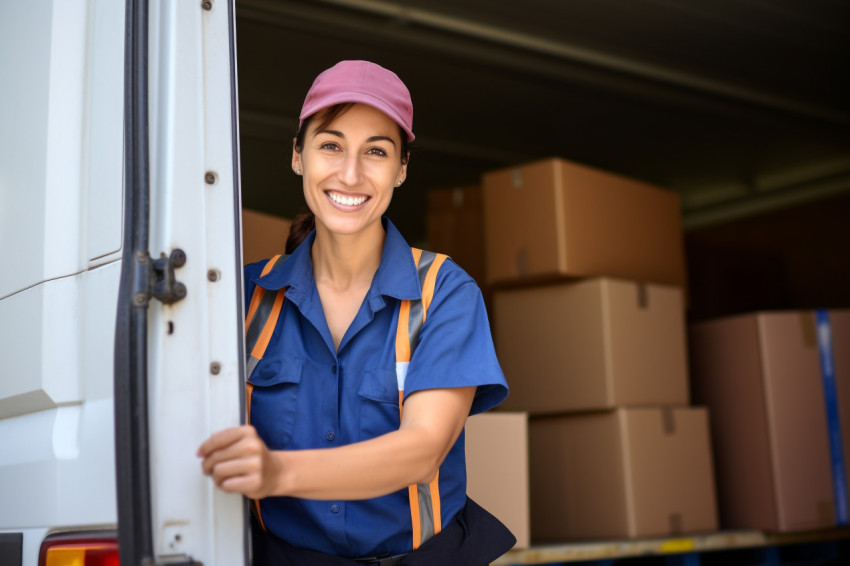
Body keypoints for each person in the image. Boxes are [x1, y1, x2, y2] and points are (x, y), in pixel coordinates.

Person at [197, 60, 514, 565]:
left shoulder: (444, 293)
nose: (350, 173)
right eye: (330, 145)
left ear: (402, 169)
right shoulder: (243, 297)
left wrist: (277, 472)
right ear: (298, 156)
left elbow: (422, 449)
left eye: (376, 152)